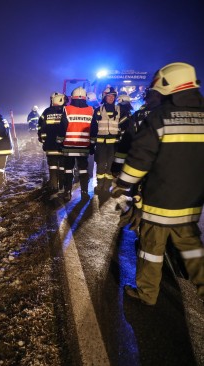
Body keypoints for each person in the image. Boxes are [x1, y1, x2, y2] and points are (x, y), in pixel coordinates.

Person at [112, 62, 204, 306]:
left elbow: (140, 159)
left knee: (150, 251)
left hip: (159, 204)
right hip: (192, 204)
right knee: (194, 250)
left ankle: (147, 293)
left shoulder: (160, 117)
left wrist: (122, 184)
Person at [56, 87, 98, 201]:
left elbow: (62, 128)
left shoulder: (67, 109)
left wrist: (59, 142)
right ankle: (84, 192)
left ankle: (67, 192)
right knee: (83, 170)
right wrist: (92, 144)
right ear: (85, 98)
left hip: (68, 146)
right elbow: (94, 129)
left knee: (68, 169)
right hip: (84, 147)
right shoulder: (91, 110)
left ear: (72, 97)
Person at [111, 88, 163, 178]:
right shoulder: (168, 115)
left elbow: (126, 140)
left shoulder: (138, 115)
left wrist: (116, 167)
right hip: (162, 165)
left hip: (140, 160)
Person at [93, 87, 130, 194]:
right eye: (109, 96)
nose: (111, 98)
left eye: (113, 96)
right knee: (100, 164)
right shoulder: (98, 110)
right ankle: (99, 184)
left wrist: (123, 142)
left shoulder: (120, 110)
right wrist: (91, 143)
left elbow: (125, 127)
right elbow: (93, 127)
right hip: (101, 143)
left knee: (110, 165)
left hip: (114, 144)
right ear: (104, 97)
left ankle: (107, 185)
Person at [38, 92, 66, 195]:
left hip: (50, 145)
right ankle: (63, 186)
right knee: (63, 166)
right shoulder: (66, 111)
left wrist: (43, 140)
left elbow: (41, 128)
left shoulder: (46, 112)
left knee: (53, 166)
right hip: (63, 145)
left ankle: (54, 186)